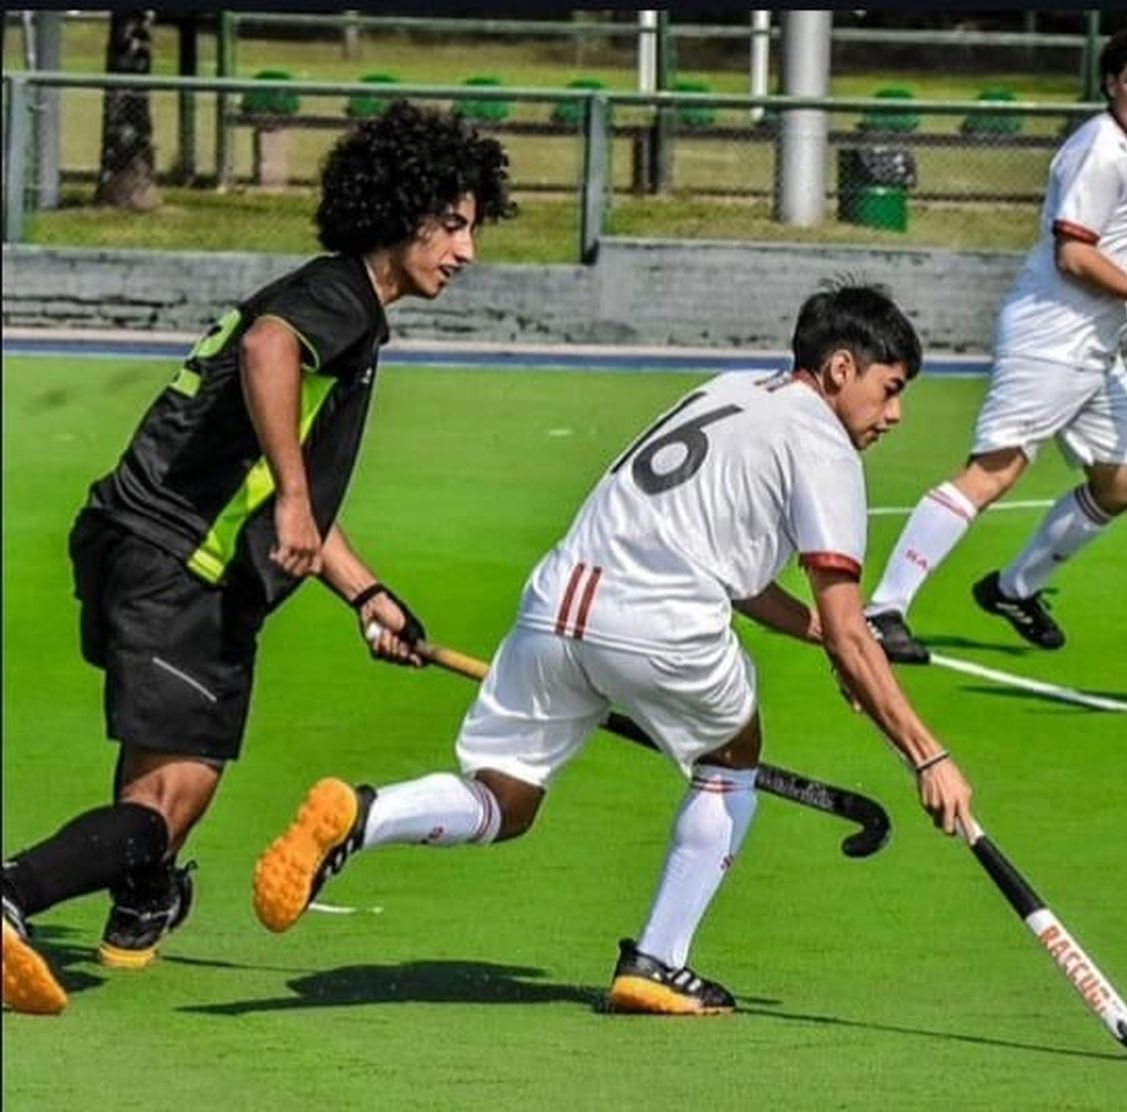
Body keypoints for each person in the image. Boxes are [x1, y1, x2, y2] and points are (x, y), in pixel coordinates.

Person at [251, 284, 976, 1015]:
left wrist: (823, 642)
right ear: (840, 369)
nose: (895, 415)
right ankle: (659, 961)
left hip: (556, 604)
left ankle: (366, 814)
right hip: (660, 622)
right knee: (731, 757)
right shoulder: (822, 447)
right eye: (890, 390)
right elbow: (853, 627)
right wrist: (927, 754)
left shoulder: (727, 393)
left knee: (503, 799)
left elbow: (747, 581)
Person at [0, 100, 514, 1015]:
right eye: (453, 227)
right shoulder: (334, 303)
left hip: (139, 546)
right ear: (401, 214)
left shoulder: (334, 298)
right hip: (182, 570)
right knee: (169, 796)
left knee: (166, 781)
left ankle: (142, 894)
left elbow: (288, 489)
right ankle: (21, 891)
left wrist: (366, 593)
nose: (467, 251)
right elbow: (268, 356)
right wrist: (297, 497)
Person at [862, 26, 1127, 664]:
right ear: (1111, 86)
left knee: (1124, 483)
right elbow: (1074, 253)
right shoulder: (1101, 149)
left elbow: (1115, 251)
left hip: (1097, 346)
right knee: (995, 471)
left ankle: (1014, 587)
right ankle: (884, 608)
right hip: (1052, 335)